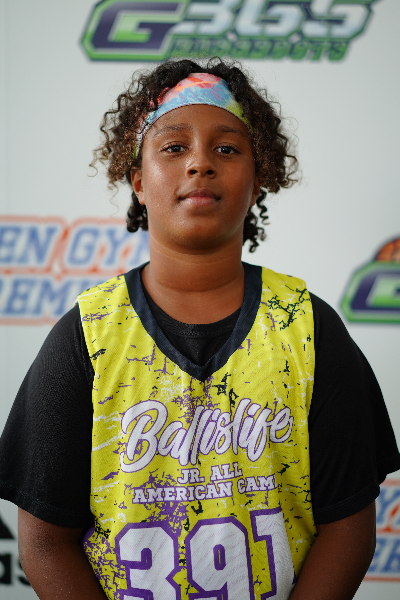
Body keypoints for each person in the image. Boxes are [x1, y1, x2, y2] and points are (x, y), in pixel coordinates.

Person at [0, 58, 399, 600]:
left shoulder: (306, 327)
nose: (200, 163)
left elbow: (348, 530)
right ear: (138, 181)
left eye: (227, 149)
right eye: (173, 147)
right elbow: (45, 542)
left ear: (257, 182)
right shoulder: (88, 335)